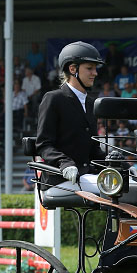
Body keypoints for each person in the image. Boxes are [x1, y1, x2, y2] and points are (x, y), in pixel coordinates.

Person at [36, 42, 105, 189]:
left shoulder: (91, 103)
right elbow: (43, 144)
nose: (95, 73)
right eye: (89, 68)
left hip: (87, 176)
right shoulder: (53, 99)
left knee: (131, 185)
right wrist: (64, 163)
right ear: (73, 69)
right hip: (61, 178)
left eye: (95, 69)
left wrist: (120, 166)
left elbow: (94, 149)